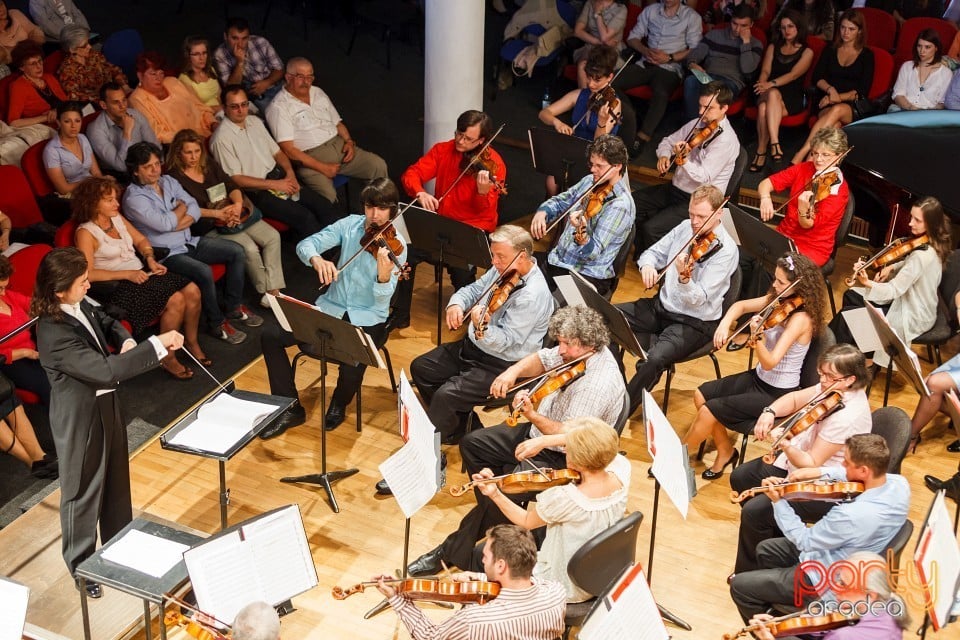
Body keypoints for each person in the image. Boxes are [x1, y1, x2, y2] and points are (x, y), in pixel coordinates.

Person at [408, 305, 627, 575]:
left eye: (566, 344)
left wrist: (532, 415)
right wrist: (510, 373)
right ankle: (502, 519)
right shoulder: (576, 353)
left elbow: (565, 437)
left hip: (565, 455)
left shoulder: (596, 384)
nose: (559, 350)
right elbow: (542, 358)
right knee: (473, 445)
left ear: (587, 344)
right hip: (539, 435)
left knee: (499, 494)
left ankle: (452, 552)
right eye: (559, 342)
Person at [32, 246, 184, 596]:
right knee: (83, 493)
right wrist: (155, 345)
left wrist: (128, 338)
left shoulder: (79, 302)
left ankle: (119, 546)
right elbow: (102, 370)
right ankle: (82, 567)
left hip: (106, 406)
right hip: (80, 418)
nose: (89, 285)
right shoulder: (53, 334)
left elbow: (107, 319)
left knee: (116, 479)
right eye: (83, 281)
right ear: (58, 290)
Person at [258, 178, 406, 439]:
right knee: (270, 336)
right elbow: (306, 245)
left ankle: (339, 402)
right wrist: (317, 260)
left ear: (392, 210)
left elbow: (382, 303)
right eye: (370, 207)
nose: (374, 215)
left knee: (355, 356)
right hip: (330, 308)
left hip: (368, 316)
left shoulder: (397, 247)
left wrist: (383, 278)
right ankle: (290, 407)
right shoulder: (349, 225)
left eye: (382, 209)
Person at [729, 434, 910, 622]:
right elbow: (852, 476)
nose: (842, 467)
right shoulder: (900, 485)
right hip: (850, 556)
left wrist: (778, 502)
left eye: (846, 463)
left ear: (864, 470)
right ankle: (777, 598)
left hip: (824, 580)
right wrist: (819, 473)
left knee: (740, 587)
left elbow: (804, 540)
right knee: (765, 550)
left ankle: (774, 626)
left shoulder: (850, 515)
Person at [729, 344, 873, 575]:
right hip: (796, 463)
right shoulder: (833, 388)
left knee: (754, 512)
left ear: (850, 379)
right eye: (821, 374)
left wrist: (785, 443)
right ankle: (774, 542)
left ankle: (750, 573)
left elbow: (810, 462)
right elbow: (796, 399)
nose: (823, 380)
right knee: (742, 477)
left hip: (823, 487)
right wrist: (770, 412)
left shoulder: (848, 417)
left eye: (829, 376)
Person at [683, 253, 826, 479]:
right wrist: (724, 325)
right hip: (758, 378)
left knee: (709, 409)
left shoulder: (801, 319)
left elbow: (770, 363)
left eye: (780, 282)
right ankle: (725, 451)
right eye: (775, 279)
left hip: (777, 392)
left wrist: (756, 337)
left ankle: (678, 458)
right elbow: (740, 306)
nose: (774, 285)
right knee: (701, 395)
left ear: (799, 286)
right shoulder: (778, 299)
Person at [409, 225, 553, 446]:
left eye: (500, 256)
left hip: (501, 363)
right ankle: (459, 428)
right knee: (422, 368)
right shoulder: (503, 268)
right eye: (493, 255)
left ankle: (431, 450)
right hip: (473, 347)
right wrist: (456, 304)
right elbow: (474, 290)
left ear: (522, 256)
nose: (494, 262)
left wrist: (482, 328)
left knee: (445, 396)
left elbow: (506, 341)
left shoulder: (533, 296)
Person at [475, 417, 630, 601]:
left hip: (565, 584)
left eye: (568, 449)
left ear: (576, 460)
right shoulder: (622, 470)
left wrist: (494, 494)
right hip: (599, 573)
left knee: (483, 554)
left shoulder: (566, 498)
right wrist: (548, 440)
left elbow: (525, 521)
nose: (565, 450)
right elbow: (601, 444)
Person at [618, 184, 738, 415]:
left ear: (719, 213)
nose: (694, 221)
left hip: (692, 323)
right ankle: (618, 385)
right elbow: (651, 253)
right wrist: (648, 266)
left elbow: (699, 299)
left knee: (654, 360)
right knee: (604, 318)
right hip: (661, 307)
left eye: (701, 216)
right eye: (692, 214)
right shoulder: (685, 228)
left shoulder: (726, 251)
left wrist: (684, 280)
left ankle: (620, 412)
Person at [122, 141, 258, 345]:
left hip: (188, 240)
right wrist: (179, 212)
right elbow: (166, 223)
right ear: (134, 171)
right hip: (167, 254)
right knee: (203, 271)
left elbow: (192, 206)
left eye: (157, 164)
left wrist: (177, 219)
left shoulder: (168, 181)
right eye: (147, 166)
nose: (155, 170)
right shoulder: (134, 198)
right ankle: (216, 323)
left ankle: (233, 307)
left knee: (236, 251)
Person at [72, 176, 206, 380]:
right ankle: (167, 356)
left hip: (141, 273)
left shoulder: (117, 217)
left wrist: (150, 259)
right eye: (110, 200)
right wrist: (128, 274)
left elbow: (141, 240)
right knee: (176, 299)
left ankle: (192, 341)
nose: (117, 203)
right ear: (93, 203)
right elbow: (88, 273)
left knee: (193, 290)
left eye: (116, 198)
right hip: (118, 287)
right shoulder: (85, 232)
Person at [392, 109, 506, 329]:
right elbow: (412, 174)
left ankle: (463, 317)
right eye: (458, 134)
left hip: (470, 229)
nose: (460, 141)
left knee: (463, 270)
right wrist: (420, 192)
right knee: (403, 254)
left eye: (468, 139)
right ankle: (400, 313)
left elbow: (486, 212)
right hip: (441, 223)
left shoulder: (495, 165)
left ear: (482, 140)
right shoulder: (443, 150)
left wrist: (483, 192)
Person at [379, 525, 566, 640]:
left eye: (485, 556)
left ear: (501, 566)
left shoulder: (474, 620)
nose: (482, 560)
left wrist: (397, 598)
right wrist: (480, 579)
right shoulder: (556, 593)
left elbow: (430, 636)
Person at [167, 128, 285, 309]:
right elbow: (187, 209)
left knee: (272, 236)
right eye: (188, 152)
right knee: (250, 248)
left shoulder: (208, 165)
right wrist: (219, 215)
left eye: (197, 151)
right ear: (178, 153)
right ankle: (265, 291)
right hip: (209, 226)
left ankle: (273, 291)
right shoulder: (174, 178)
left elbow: (231, 185)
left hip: (233, 214)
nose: (194, 157)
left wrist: (237, 206)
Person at [829, 196, 951, 367]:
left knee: (846, 318)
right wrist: (891, 268)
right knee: (851, 296)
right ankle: (863, 353)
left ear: (931, 224)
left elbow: (894, 289)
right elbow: (910, 264)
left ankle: (840, 359)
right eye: (911, 217)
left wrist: (867, 282)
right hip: (917, 302)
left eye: (917, 220)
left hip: (913, 313)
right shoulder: (930, 242)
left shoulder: (922, 255)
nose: (910, 223)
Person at [211, 85, 337, 239]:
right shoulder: (221, 139)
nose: (241, 110)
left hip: (279, 177)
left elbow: (277, 152)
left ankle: (344, 249)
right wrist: (276, 185)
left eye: (244, 104)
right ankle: (327, 259)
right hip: (257, 192)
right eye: (234, 106)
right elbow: (236, 179)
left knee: (322, 205)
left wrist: (290, 174)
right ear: (224, 108)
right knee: (305, 217)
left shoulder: (254, 122)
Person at [632, 82, 741, 251]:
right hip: (677, 189)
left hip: (700, 200)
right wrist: (664, 155)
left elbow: (703, 177)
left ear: (724, 108)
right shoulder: (697, 124)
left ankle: (657, 269)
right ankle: (642, 253)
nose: (700, 112)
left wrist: (684, 160)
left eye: (708, 108)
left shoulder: (726, 141)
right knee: (633, 204)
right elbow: (667, 141)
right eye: (700, 106)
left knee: (652, 229)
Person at [266, 57, 388, 205]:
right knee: (327, 198)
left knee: (378, 166)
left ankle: (379, 216)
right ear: (288, 77)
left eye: (310, 76)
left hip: (340, 147)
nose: (306, 81)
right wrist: (322, 168)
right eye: (300, 76)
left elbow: (338, 123)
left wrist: (349, 141)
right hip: (311, 160)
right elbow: (289, 150)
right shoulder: (278, 107)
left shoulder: (318, 92)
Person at [529, 134, 633, 298]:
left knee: (548, 305)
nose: (593, 170)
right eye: (592, 164)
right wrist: (543, 211)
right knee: (516, 274)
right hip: (559, 260)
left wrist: (581, 235)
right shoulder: (590, 181)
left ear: (617, 166)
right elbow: (562, 200)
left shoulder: (620, 206)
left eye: (599, 166)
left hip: (585, 275)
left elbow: (593, 252)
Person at [745, 551, 911, 639]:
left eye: (843, 584)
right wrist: (782, 624)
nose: (835, 587)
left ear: (871, 595)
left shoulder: (844, 636)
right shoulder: (888, 604)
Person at [615, 0, 702, 153]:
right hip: (646, 62)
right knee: (612, 82)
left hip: (671, 67)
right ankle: (631, 116)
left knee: (661, 93)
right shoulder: (651, 11)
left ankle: (643, 136)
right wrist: (644, 50)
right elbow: (632, 37)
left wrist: (670, 57)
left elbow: (696, 49)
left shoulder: (691, 17)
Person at [757, 127, 850, 268]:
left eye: (826, 155)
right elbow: (766, 183)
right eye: (815, 153)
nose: (818, 159)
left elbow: (807, 224)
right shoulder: (805, 168)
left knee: (778, 270)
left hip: (812, 247)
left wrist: (802, 208)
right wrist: (765, 198)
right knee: (752, 256)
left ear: (839, 156)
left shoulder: (838, 191)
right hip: (784, 234)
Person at [537, 46, 624, 196]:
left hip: (598, 158)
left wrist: (602, 122)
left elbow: (599, 142)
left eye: (597, 80)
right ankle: (552, 217)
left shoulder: (614, 104)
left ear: (610, 77)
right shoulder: (579, 95)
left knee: (578, 190)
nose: (591, 84)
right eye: (589, 77)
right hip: (575, 151)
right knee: (551, 182)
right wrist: (557, 122)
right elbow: (544, 113)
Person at [791, 10, 874, 165]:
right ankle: (810, 161)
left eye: (851, 29)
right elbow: (817, 77)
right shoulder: (830, 48)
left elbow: (862, 91)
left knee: (837, 110)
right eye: (843, 27)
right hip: (826, 102)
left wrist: (836, 97)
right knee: (834, 125)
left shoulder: (867, 55)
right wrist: (831, 90)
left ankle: (802, 151)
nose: (846, 33)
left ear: (860, 31)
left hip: (851, 107)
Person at [751, 10, 814, 171]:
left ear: (799, 27)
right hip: (767, 91)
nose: (787, 31)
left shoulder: (807, 51)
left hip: (791, 96)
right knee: (771, 95)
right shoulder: (773, 46)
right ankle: (775, 143)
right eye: (783, 27)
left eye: (791, 26)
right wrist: (763, 83)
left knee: (764, 108)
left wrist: (770, 84)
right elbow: (765, 70)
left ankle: (761, 151)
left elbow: (793, 75)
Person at [684, 4, 763, 121]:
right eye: (735, 23)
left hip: (731, 82)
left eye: (743, 26)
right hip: (708, 77)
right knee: (690, 81)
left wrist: (746, 42)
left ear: (751, 24)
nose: (737, 29)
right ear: (730, 20)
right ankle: (692, 124)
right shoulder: (714, 35)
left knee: (715, 94)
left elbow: (748, 69)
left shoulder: (755, 44)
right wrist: (692, 64)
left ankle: (704, 128)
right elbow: (693, 56)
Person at [128, 51, 216, 144]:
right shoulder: (137, 99)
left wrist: (213, 123)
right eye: (153, 74)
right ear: (140, 75)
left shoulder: (173, 82)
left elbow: (201, 107)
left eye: (161, 73)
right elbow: (157, 133)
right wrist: (191, 139)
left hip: (206, 134)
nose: (158, 78)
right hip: (180, 146)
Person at [41, 101, 101, 225]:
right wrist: (89, 182)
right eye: (67, 121)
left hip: (92, 186)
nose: (73, 126)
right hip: (72, 195)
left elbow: (96, 172)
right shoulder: (51, 150)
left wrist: (103, 183)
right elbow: (63, 189)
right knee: (102, 205)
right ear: (58, 122)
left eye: (77, 121)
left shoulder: (83, 138)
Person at [86, 81, 160, 176]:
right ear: (103, 105)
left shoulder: (135, 114)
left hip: (147, 164)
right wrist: (127, 132)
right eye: (116, 102)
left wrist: (155, 166)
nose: (123, 106)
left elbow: (155, 146)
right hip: (121, 175)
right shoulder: (95, 130)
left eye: (124, 100)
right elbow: (121, 166)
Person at [213, 16, 284, 112]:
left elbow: (280, 69)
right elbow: (231, 88)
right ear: (226, 37)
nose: (240, 44)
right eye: (235, 38)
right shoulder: (220, 55)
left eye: (244, 38)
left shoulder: (260, 42)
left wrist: (267, 83)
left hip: (275, 84)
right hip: (256, 95)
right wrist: (240, 62)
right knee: (276, 115)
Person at [57, 25, 128, 103]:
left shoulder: (93, 55)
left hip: (114, 94)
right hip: (99, 105)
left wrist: (124, 85)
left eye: (88, 42)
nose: (89, 47)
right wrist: (105, 101)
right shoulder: (67, 72)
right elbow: (75, 96)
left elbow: (112, 68)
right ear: (73, 50)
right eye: (84, 45)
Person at [889, 29, 952, 112]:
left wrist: (922, 115)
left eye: (927, 47)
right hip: (903, 111)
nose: (922, 51)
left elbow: (942, 103)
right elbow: (898, 95)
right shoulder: (907, 66)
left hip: (929, 116)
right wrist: (910, 108)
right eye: (919, 46)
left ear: (936, 48)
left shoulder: (946, 73)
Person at [6, 40, 66, 127]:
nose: (39, 66)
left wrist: (57, 111)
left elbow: (66, 102)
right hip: (47, 128)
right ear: (22, 67)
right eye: (33, 64)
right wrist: (46, 117)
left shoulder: (49, 77)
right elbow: (13, 122)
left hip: (66, 119)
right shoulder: (18, 86)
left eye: (40, 61)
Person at [571, 0, 627, 88]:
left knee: (600, 68)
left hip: (610, 50)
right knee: (583, 65)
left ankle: (598, 99)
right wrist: (599, 42)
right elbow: (577, 31)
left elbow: (605, 37)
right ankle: (584, 99)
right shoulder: (590, 3)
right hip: (591, 45)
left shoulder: (621, 9)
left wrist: (598, 13)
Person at [178, 36, 222, 114]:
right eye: (196, 54)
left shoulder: (210, 69)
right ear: (188, 56)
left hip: (220, 112)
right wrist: (220, 109)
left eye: (204, 53)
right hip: (205, 116)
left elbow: (219, 96)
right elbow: (197, 107)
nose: (202, 58)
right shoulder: (184, 79)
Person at [0, 1, 44, 67]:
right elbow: (4, 57)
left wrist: (31, 47)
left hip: (34, 54)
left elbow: (34, 31)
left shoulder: (14, 14)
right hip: (16, 67)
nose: (1, 10)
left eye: (1, 4)